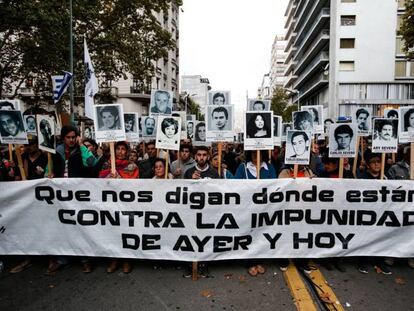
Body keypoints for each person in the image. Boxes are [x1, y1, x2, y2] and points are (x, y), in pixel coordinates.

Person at [47, 125, 101, 274]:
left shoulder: (80, 150)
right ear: (63, 138)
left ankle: (85, 259)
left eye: (73, 137)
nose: (71, 140)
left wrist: (82, 147)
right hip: (61, 195)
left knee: (80, 226)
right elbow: (48, 169)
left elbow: (92, 163)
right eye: (68, 137)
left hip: (77, 195)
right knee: (63, 226)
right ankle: (62, 259)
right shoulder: (56, 151)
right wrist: (48, 174)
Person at [234, 150, 276, 276]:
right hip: (247, 207)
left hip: (264, 208)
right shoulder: (243, 168)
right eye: (252, 152)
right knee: (248, 234)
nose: (254, 155)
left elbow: (275, 185)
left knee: (261, 234)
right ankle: (249, 262)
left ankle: (259, 260)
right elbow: (235, 186)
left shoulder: (269, 167)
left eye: (257, 152)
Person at [99, 141, 138, 273]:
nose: (120, 151)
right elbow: (99, 182)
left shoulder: (132, 166)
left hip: (127, 204)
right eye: (118, 149)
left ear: (127, 152)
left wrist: (120, 178)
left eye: (123, 149)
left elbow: (135, 184)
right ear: (113, 151)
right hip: (111, 203)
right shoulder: (107, 164)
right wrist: (110, 177)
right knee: (113, 231)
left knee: (126, 231)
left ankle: (127, 259)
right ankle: (114, 259)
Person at [357, 150, 392, 275]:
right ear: (368, 164)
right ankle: (363, 261)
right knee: (365, 237)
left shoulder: (387, 177)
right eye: (373, 162)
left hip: (383, 213)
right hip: (367, 213)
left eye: (379, 161)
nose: (377, 164)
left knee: (381, 237)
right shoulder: (363, 178)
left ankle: (380, 261)